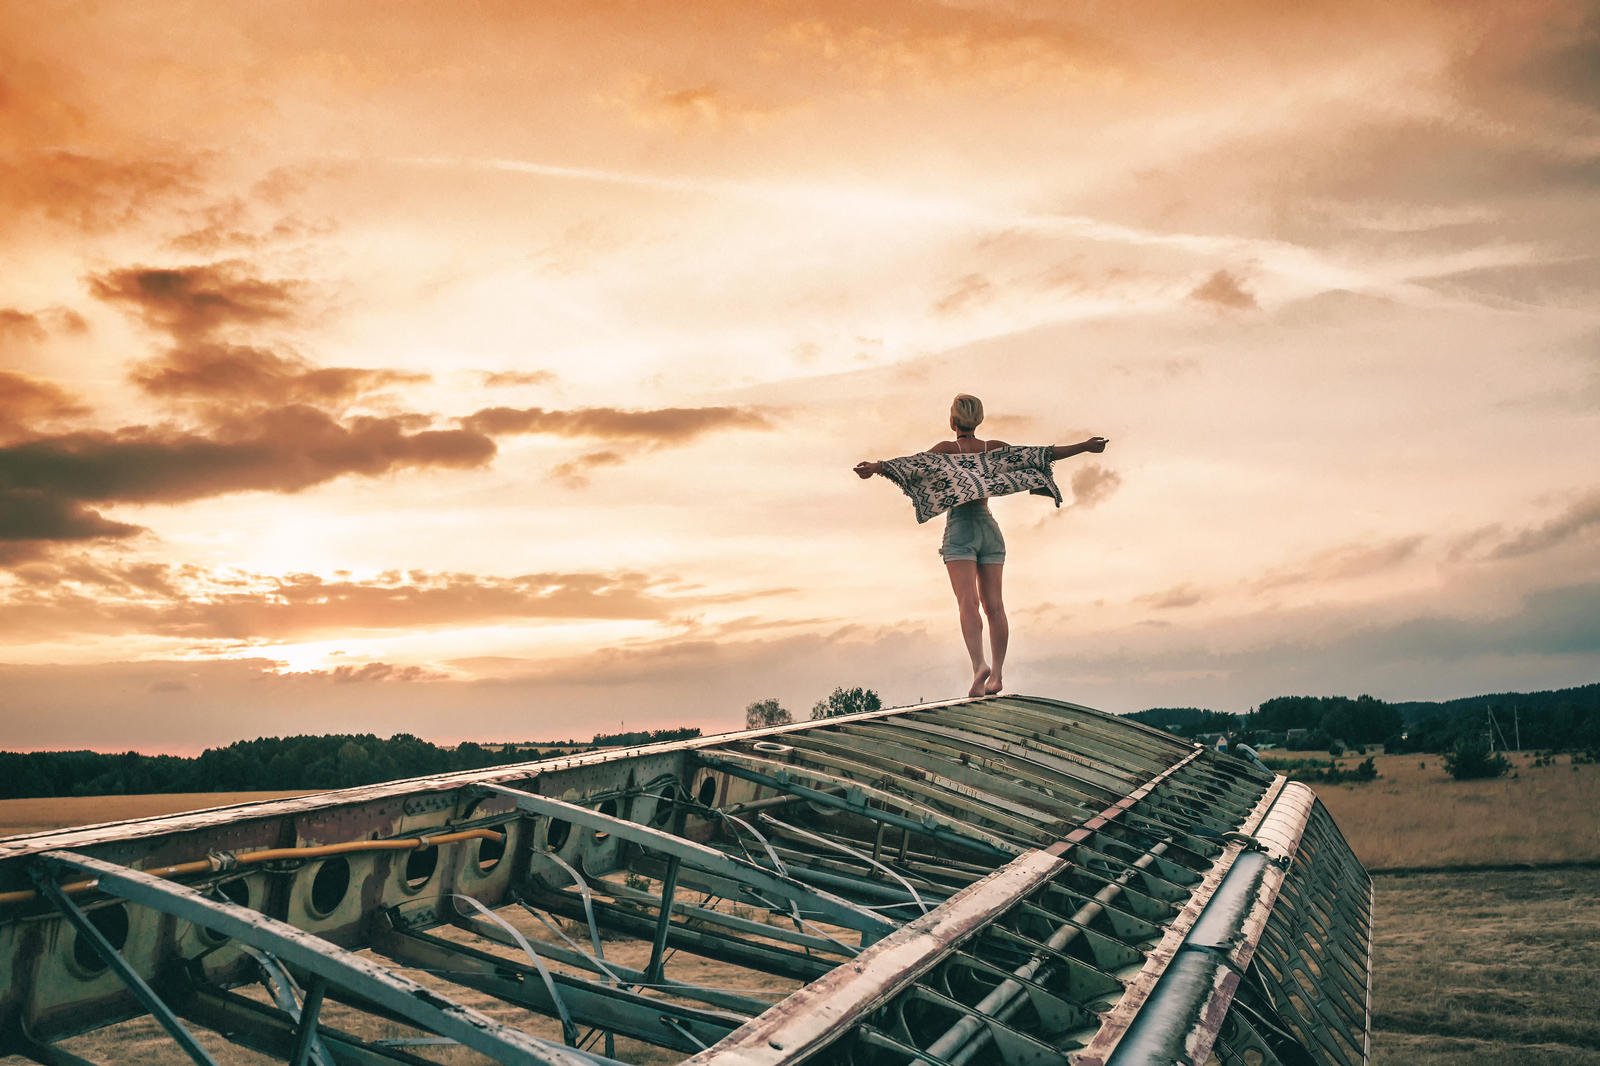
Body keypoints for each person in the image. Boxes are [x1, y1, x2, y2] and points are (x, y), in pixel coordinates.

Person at [854, 394, 1108, 698]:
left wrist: (875, 467)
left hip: (960, 529)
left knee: (968, 603)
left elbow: (910, 466)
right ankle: (997, 675)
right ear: (979, 420)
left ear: (952, 421)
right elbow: (1042, 454)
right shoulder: (995, 451)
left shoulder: (946, 452)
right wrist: (1085, 446)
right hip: (990, 530)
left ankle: (979, 667)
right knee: (995, 606)